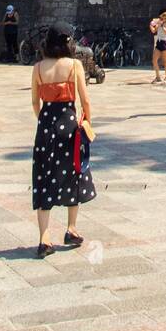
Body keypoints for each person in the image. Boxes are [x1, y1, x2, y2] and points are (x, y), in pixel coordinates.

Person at [31, 22, 96, 258]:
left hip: (45, 125)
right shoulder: (74, 65)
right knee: (74, 173)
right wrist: (87, 119)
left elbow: (34, 103)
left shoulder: (38, 68)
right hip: (68, 124)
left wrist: (45, 121)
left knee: (44, 176)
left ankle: (44, 238)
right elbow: (85, 99)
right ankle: (71, 228)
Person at [149, 8, 166, 84]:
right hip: (159, 42)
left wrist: (162, 25)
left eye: (163, 16)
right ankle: (158, 77)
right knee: (154, 60)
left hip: (165, 43)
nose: (162, 18)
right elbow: (153, 31)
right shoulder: (159, 21)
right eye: (161, 16)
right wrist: (151, 25)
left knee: (165, 61)